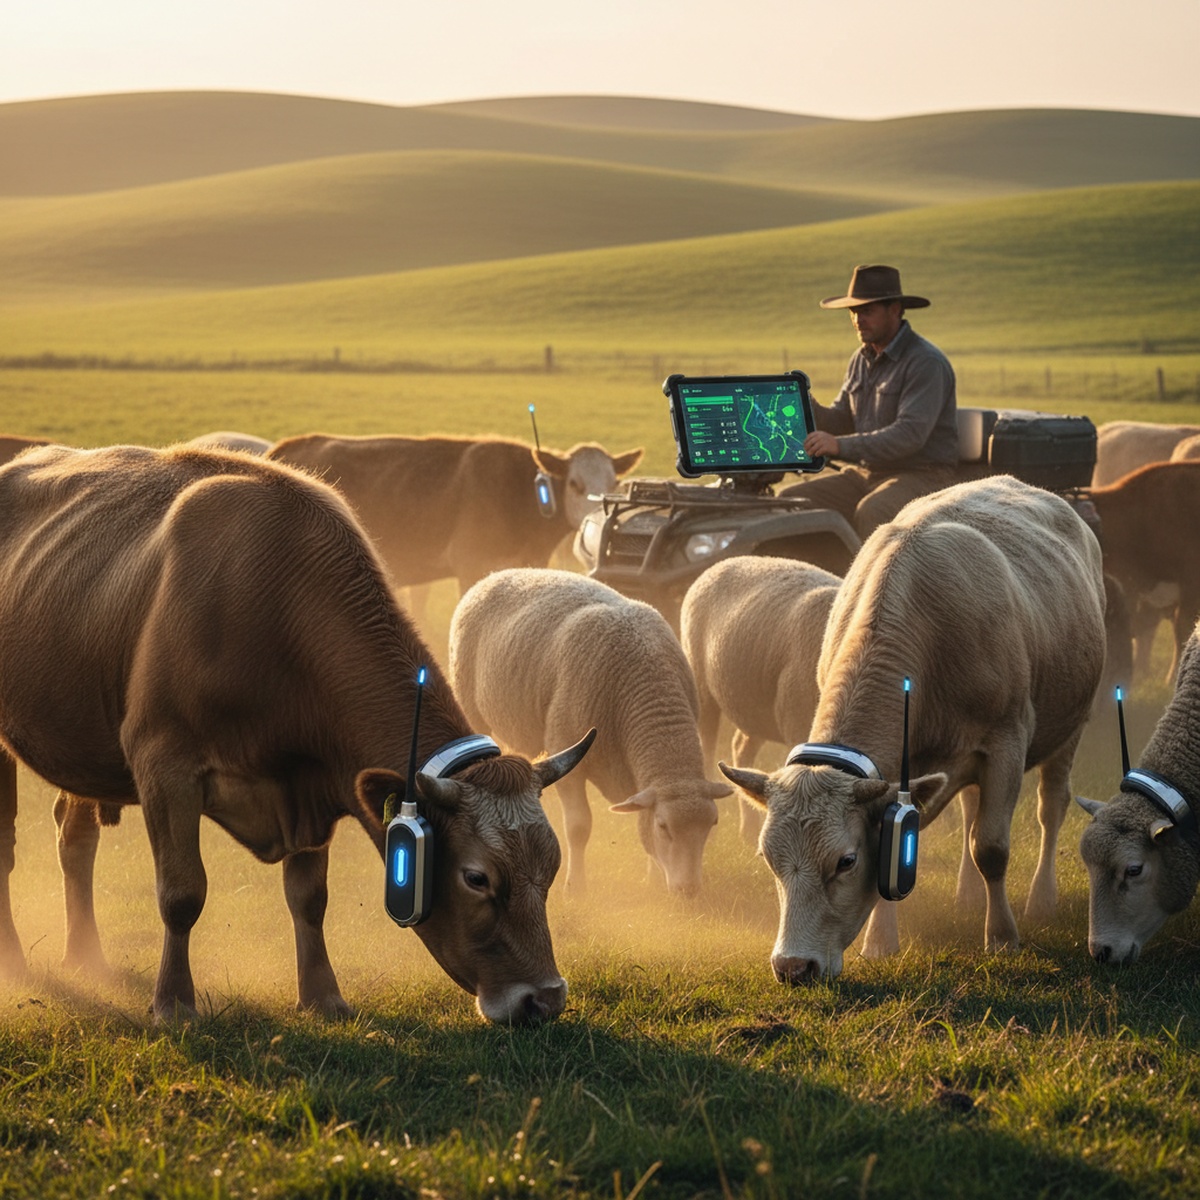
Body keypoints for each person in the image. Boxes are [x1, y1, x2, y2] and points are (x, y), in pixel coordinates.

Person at [780, 264, 959, 538]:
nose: (857, 319)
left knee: (873, 511)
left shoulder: (925, 362)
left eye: (867, 311)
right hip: (868, 473)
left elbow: (909, 435)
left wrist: (839, 446)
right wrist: (803, 404)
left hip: (923, 476)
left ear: (895, 310)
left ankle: (871, 581)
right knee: (792, 501)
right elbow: (841, 419)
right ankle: (823, 577)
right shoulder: (861, 359)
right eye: (853, 312)